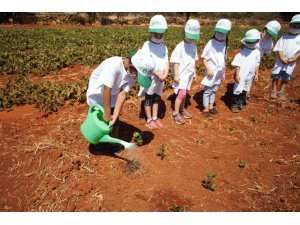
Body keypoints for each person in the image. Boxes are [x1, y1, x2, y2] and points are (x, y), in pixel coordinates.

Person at [86, 49, 155, 150]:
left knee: (115, 119)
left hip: (113, 93)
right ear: (131, 67)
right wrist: (107, 112)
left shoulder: (133, 74)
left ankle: (113, 142)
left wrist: (115, 114)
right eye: (138, 75)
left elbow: (122, 94)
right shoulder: (114, 65)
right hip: (98, 92)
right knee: (99, 118)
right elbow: (106, 89)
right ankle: (97, 141)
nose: (136, 78)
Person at [138, 15, 169, 129]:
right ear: (151, 32)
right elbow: (145, 63)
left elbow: (166, 62)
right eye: (155, 34)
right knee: (148, 99)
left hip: (161, 79)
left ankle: (155, 117)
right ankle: (149, 119)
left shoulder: (164, 47)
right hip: (151, 78)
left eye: (160, 34)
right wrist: (158, 74)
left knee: (157, 98)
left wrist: (165, 74)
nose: (158, 36)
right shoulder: (147, 45)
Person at [170, 19, 200, 124]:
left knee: (185, 93)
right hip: (181, 74)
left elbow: (193, 61)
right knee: (182, 93)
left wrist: (195, 72)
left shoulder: (194, 46)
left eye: (193, 37)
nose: (191, 39)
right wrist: (176, 75)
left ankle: (182, 110)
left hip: (189, 74)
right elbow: (175, 62)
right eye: (190, 36)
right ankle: (175, 112)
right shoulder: (180, 46)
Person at [200, 19, 231, 117]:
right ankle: (205, 108)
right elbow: (204, 58)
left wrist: (223, 73)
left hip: (219, 73)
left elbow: (223, 60)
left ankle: (210, 106)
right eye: (218, 32)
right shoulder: (211, 43)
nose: (220, 34)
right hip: (211, 72)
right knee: (208, 90)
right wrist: (208, 69)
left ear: (227, 33)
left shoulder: (225, 44)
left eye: (223, 33)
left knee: (214, 90)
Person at [246, 20, 281, 101]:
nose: (268, 35)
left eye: (271, 35)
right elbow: (243, 43)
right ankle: (238, 93)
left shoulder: (270, 43)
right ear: (264, 28)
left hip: (255, 63)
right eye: (268, 32)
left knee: (251, 77)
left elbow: (266, 53)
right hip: (245, 58)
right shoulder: (254, 34)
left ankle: (247, 93)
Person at [270, 14, 300, 101]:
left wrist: (294, 59)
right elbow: (279, 48)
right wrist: (282, 58)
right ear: (290, 25)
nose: (295, 27)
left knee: (286, 77)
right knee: (275, 76)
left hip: (291, 62)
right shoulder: (284, 37)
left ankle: (282, 91)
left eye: (298, 26)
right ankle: (273, 90)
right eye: (294, 25)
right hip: (280, 61)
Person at [231, 29, 261, 112]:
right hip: (241, 75)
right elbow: (237, 64)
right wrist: (237, 74)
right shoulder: (241, 53)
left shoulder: (257, 52)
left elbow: (257, 63)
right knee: (237, 89)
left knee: (245, 89)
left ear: (257, 41)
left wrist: (257, 74)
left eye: (252, 42)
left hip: (250, 75)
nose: (250, 44)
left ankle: (241, 103)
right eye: (249, 42)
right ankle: (234, 105)